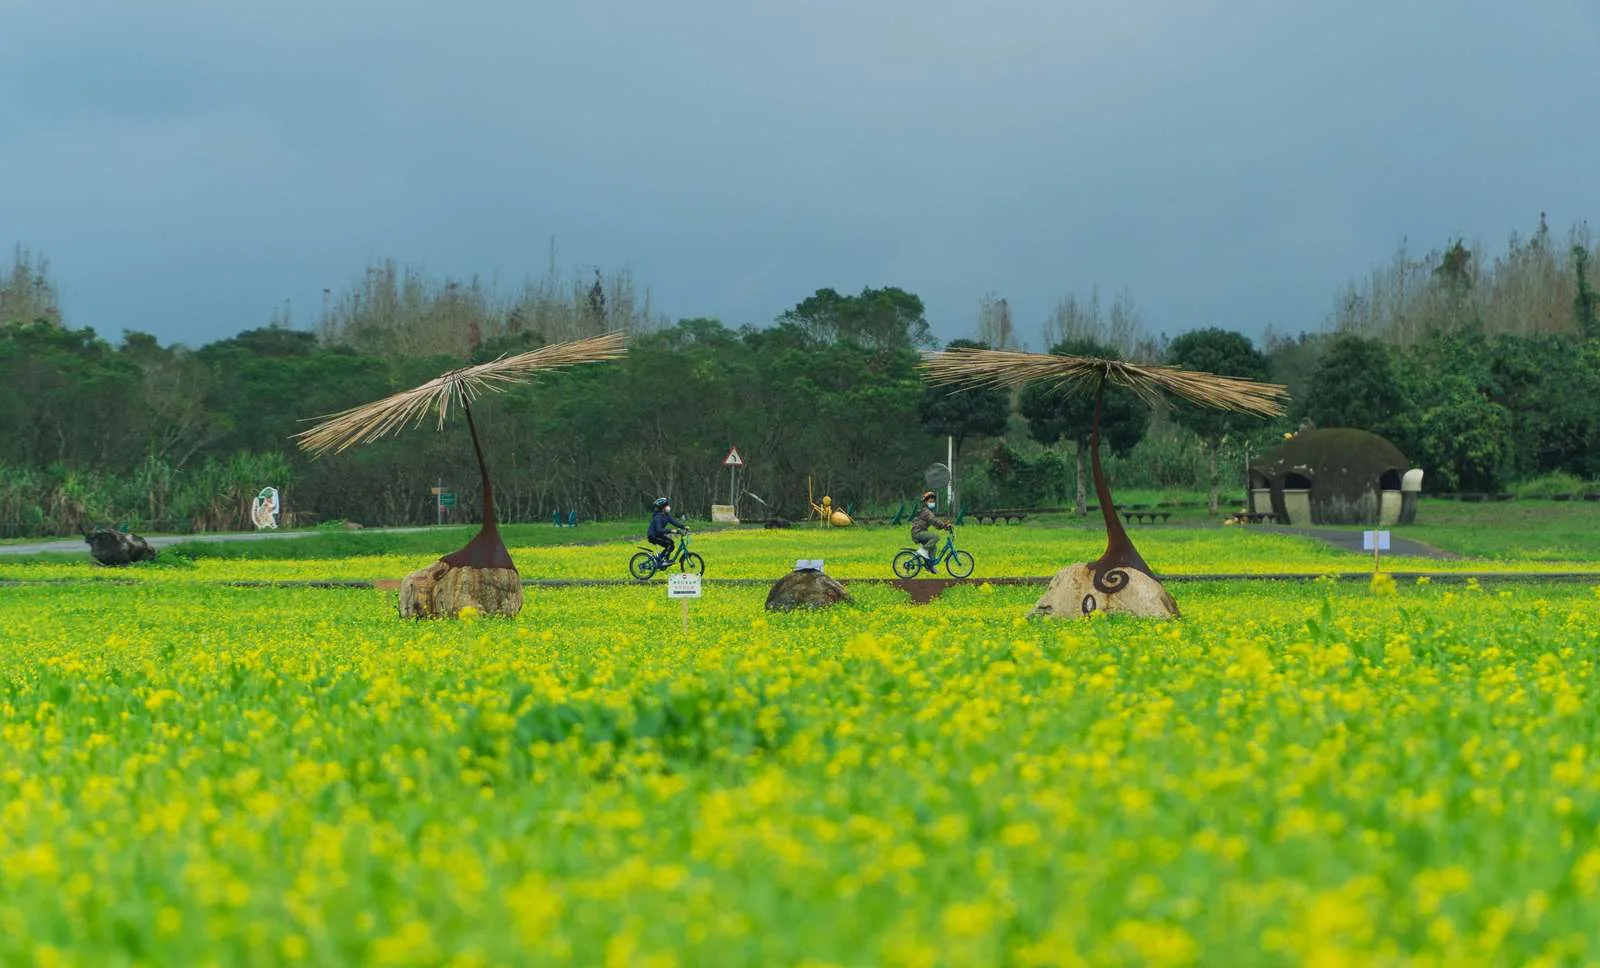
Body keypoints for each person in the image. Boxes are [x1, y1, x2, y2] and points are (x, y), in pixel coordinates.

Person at [909, 490, 950, 571]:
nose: (932, 502)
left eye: (933, 501)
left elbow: (935, 523)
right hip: (918, 532)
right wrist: (944, 525)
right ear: (926, 502)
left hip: (920, 532)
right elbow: (934, 520)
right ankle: (923, 551)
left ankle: (929, 566)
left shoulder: (928, 511)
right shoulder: (926, 511)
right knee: (936, 537)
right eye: (930, 501)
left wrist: (943, 527)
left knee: (933, 547)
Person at [647, 497, 687, 565]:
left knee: (671, 544)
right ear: (662, 507)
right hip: (653, 536)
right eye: (666, 505)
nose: (668, 507)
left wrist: (684, 527)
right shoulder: (658, 516)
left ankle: (661, 560)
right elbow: (659, 530)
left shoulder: (666, 515)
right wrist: (672, 531)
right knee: (669, 544)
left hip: (658, 535)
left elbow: (674, 522)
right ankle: (664, 561)